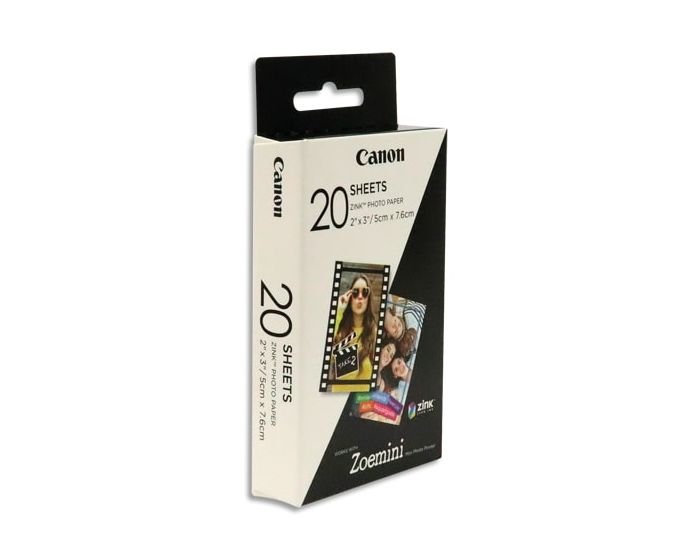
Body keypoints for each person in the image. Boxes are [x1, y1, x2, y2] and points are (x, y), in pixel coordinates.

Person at [332, 274, 377, 390]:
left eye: (365, 292)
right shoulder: (339, 328)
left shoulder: (374, 333)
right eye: (355, 292)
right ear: (350, 296)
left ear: (369, 298)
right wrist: (339, 310)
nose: (360, 297)